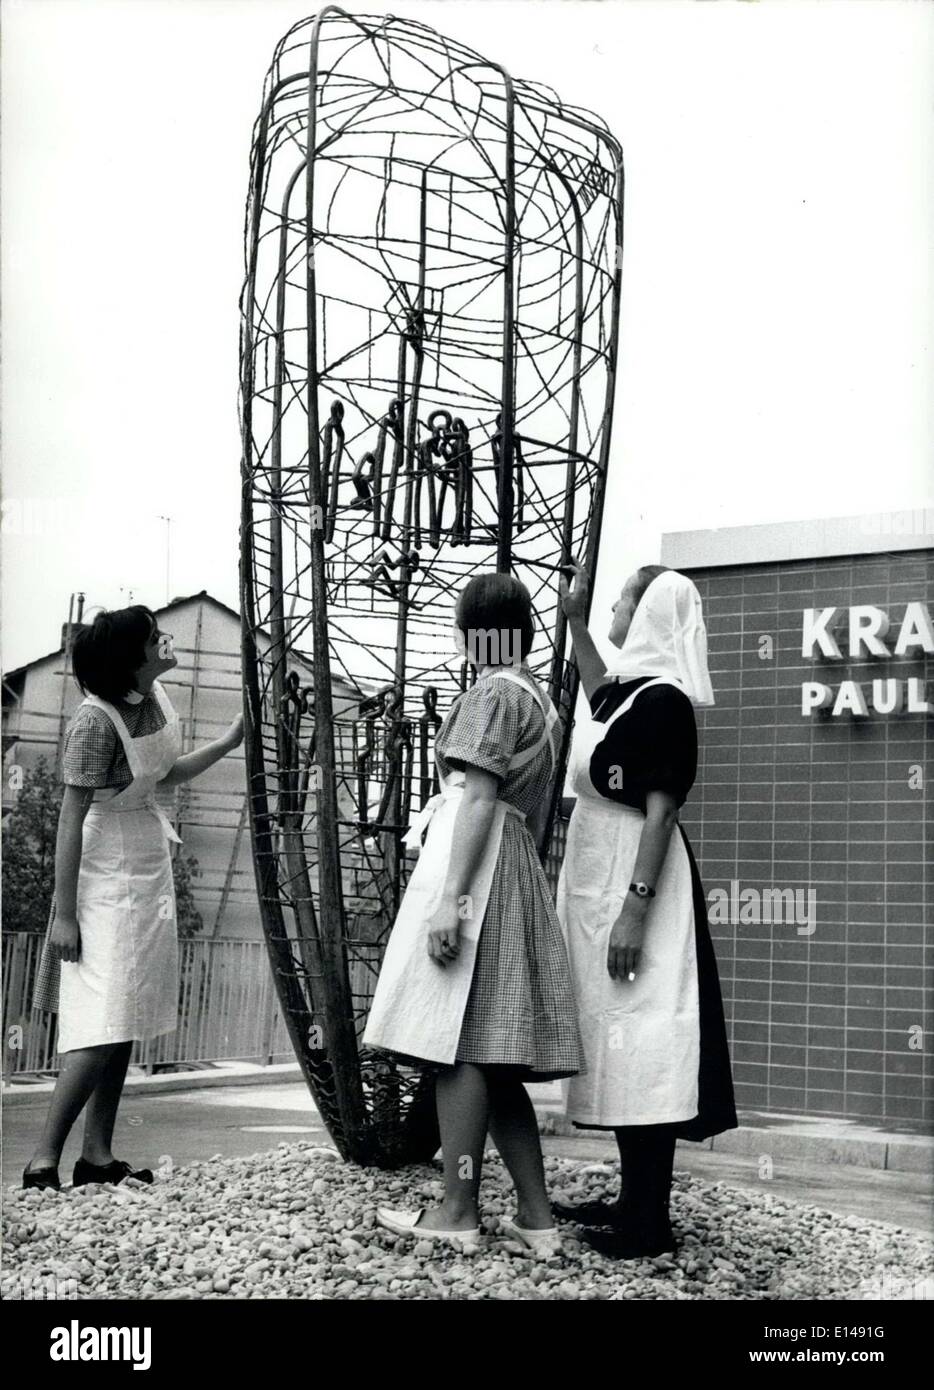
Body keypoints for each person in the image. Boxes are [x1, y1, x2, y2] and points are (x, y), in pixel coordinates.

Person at [363, 573, 583, 1254]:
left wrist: (451, 906)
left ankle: (457, 1209)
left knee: (455, 1047)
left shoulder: (491, 693)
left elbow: (479, 800)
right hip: (511, 867)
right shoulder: (538, 702)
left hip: (479, 872)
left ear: (473, 632)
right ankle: (536, 1217)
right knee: (491, 1055)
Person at [553, 561, 737, 1259]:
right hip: (602, 877)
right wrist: (574, 620)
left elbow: (659, 816)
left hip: (638, 884)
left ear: (651, 610)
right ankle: (632, 1200)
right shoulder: (628, 698)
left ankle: (648, 1222)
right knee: (618, 1040)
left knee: (647, 1039)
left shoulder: (665, 703)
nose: (617, 608)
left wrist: (634, 911)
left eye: (625, 599)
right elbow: (598, 681)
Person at [24, 606, 243, 1191]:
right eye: (154, 638)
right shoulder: (94, 723)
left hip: (145, 857)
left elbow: (164, 774)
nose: (164, 641)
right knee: (100, 1022)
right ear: (134, 657)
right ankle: (42, 1161)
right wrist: (64, 913)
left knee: (126, 1018)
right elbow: (69, 818)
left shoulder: (154, 696)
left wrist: (228, 741)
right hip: (101, 866)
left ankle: (96, 1156)